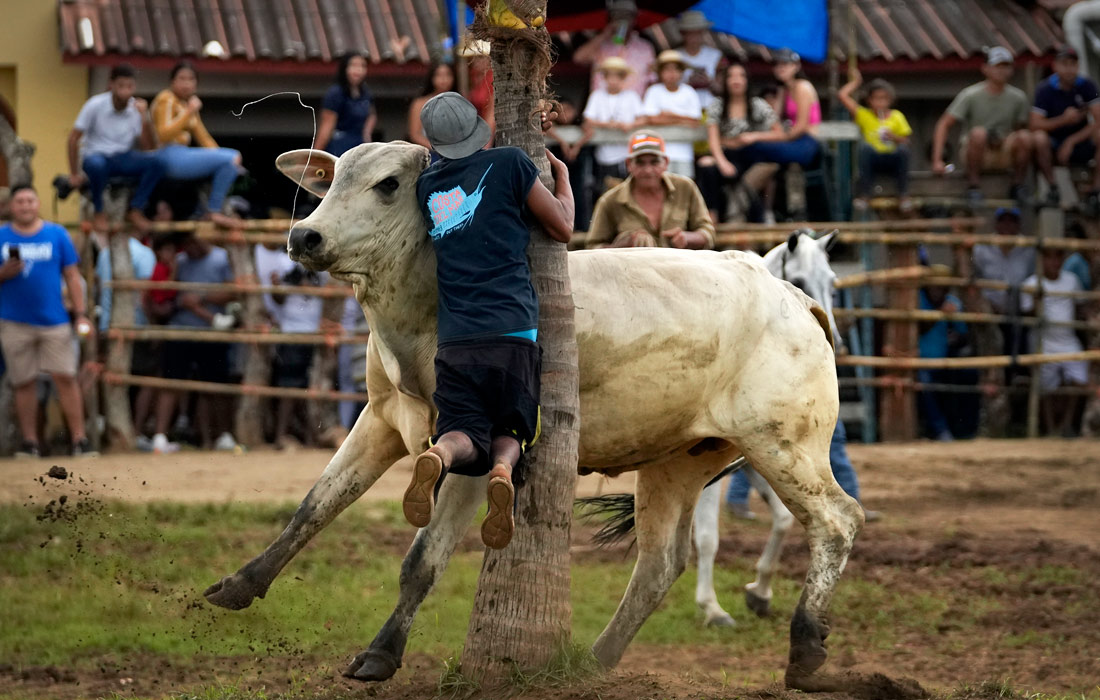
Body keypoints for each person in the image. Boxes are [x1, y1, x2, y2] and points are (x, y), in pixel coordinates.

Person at [405, 92, 575, 550]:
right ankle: (503, 471)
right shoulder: (510, 163)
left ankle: (440, 454)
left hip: (457, 337)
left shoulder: (427, 188)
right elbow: (561, 228)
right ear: (477, 129)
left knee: (460, 427)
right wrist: (562, 177)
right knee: (512, 427)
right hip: (513, 329)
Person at [0, 185, 96, 457]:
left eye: (30, 200)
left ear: (37, 203)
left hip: (54, 320)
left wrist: (80, 314)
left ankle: (79, 440)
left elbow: (72, 276)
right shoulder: (1, 237)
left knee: (66, 377)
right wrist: (4, 273)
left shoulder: (57, 234)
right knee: (23, 382)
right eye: (19, 202)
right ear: (11, 207)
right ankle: (30, 443)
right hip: (13, 321)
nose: (25, 206)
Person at [151, 232, 238, 453]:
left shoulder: (221, 257)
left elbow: (232, 292)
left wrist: (201, 298)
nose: (188, 248)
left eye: (191, 242)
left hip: (211, 331)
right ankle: (160, 437)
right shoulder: (180, 260)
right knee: (171, 382)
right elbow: (169, 289)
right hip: (181, 328)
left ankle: (222, 435)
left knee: (216, 385)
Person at [66, 63, 163, 234]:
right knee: (97, 165)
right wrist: (74, 174)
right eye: (121, 86)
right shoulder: (95, 104)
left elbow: (149, 148)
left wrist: (144, 117)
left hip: (122, 158)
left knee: (158, 162)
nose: (125, 91)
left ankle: (136, 209)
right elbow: (73, 138)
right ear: (111, 85)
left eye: (130, 86)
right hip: (96, 157)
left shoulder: (136, 109)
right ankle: (99, 211)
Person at [931, 47, 1032, 206]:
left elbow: (1020, 127)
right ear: (985, 68)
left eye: (1005, 66)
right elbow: (944, 123)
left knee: (1026, 136)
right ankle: (973, 187)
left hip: (1003, 150)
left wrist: (1004, 139)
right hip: (977, 151)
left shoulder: (1018, 97)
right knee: (978, 133)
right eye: (997, 66)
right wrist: (937, 160)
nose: (1001, 71)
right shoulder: (970, 94)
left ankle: (1017, 186)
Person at [150, 61, 243, 227]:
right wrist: (189, 112)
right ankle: (213, 211)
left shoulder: (186, 104)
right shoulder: (166, 98)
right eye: (182, 79)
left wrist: (221, 157)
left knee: (230, 161)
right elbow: (163, 135)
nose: (186, 83)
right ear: (173, 82)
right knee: (232, 156)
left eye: (190, 79)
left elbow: (204, 138)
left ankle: (213, 211)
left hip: (181, 155)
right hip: (166, 155)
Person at [587, 132, 715, 249]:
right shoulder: (611, 201)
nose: (648, 170)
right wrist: (622, 245)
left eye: (654, 162)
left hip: (679, 269)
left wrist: (686, 238)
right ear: (629, 164)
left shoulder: (685, 188)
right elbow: (593, 247)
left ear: (665, 162)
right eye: (640, 163)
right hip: (632, 272)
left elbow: (708, 232)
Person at [696, 60, 782, 223]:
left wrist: (754, 136)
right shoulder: (717, 106)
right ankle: (710, 216)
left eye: (741, 76)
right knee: (706, 164)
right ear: (725, 81)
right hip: (727, 156)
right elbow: (713, 140)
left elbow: (779, 133)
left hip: (752, 156)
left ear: (747, 80)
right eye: (731, 77)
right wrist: (722, 163)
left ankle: (761, 216)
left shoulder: (757, 105)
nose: (736, 80)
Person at [1021, 247, 1087, 436]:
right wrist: (1037, 302)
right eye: (1049, 257)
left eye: (1058, 256)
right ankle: (1049, 428)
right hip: (1043, 341)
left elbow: (1081, 308)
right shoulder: (1032, 283)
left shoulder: (1071, 280)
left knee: (1080, 380)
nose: (1054, 262)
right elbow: (1027, 315)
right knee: (1044, 388)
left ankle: (1065, 424)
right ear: (1041, 260)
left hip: (1068, 339)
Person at [1030, 45, 1100, 214]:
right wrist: (1063, 120)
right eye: (1065, 64)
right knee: (1038, 138)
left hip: (1079, 141)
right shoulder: (1045, 89)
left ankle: (1096, 191)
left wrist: (1071, 141)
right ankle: (1053, 187)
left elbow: (1098, 120)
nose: (1069, 69)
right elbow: (1034, 124)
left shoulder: (1086, 86)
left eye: (1073, 64)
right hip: (1053, 143)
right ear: (1055, 66)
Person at [730, 50, 822, 176]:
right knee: (752, 152)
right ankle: (744, 189)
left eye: (785, 64)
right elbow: (774, 119)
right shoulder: (785, 89)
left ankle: (738, 184)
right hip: (791, 140)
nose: (780, 68)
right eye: (777, 65)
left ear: (796, 66)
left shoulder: (803, 87)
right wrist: (780, 90)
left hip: (806, 142)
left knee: (754, 147)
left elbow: (800, 128)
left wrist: (758, 136)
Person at [838, 70, 913, 212]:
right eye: (876, 98)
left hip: (892, 159)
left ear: (890, 99)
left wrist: (894, 137)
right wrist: (856, 82)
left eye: (884, 98)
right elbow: (842, 95)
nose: (880, 102)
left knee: (903, 151)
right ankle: (865, 195)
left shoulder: (897, 116)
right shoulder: (864, 115)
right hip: (873, 161)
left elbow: (906, 141)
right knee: (864, 148)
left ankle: (903, 195)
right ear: (869, 100)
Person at [572, 0, 656, 99]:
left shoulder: (645, 47)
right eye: (617, 16)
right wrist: (604, 34)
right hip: (602, 107)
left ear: (634, 20)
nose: (622, 20)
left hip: (634, 107)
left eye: (626, 16)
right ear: (610, 19)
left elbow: (652, 79)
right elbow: (578, 58)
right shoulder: (601, 45)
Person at [582, 57, 645, 185]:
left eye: (618, 76)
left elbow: (643, 119)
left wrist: (630, 125)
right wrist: (609, 125)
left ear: (623, 78)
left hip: (627, 154)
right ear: (604, 78)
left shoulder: (632, 96)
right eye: (610, 76)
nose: (613, 80)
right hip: (604, 155)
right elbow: (588, 120)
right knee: (604, 188)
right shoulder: (597, 95)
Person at [641, 50, 703, 177]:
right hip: (659, 153)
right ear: (660, 72)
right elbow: (652, 119)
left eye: (676, 69)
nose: (672, 74)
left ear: (681, 72)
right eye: (667, 70)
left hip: (684, 154)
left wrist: (669, 115)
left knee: (684, 189)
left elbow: (695, 121)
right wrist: (683, 119)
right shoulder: (654, 91)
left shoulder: (689, 92)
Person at [315, 53, 376, 156]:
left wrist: (367, 134)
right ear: (344, 68)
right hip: (340, 146)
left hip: (359, 145)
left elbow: (372, 114)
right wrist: (315, 155)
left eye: (362, 66)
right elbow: (326, 127)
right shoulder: (336, 93)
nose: (358, 70)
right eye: (353, 65)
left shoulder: (365, 92)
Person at [675, 11, 722, 107]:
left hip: (709, 106)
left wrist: (710, 82)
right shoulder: (674, 56)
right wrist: (687, 82)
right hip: (680, 107)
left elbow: (724, 88)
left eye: (698, 32)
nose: (694, 37)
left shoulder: (716, 56)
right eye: (690, 33)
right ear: (683, 34)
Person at [408, 61, 458, 150]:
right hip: (429, 152)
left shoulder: (459, 102)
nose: (444, 79)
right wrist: (438, 149)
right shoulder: (420, 103)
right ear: (432, 78)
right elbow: (415, 134)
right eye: (439, 75)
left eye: (448, 75)